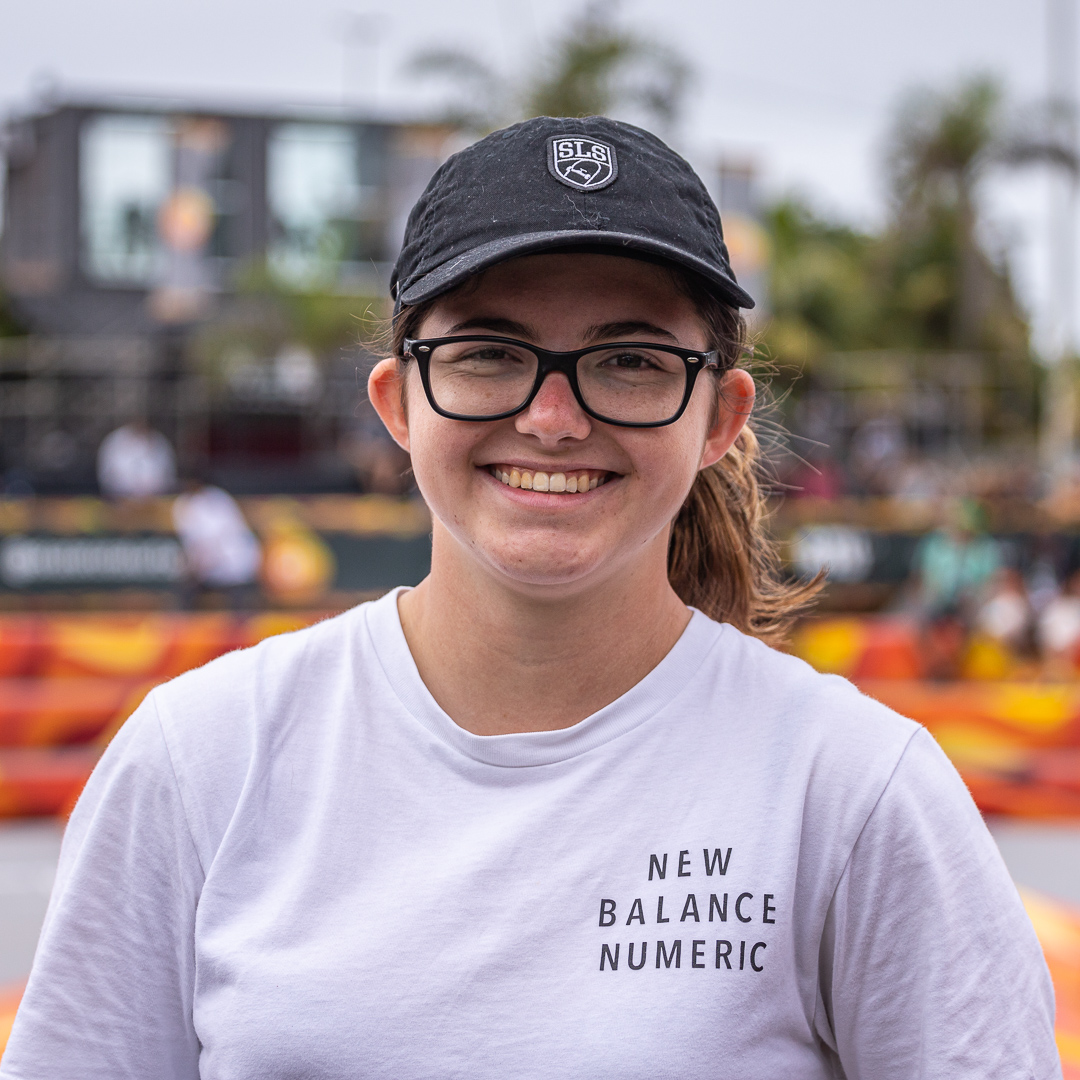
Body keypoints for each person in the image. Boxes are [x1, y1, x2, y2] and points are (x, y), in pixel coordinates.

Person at [2, 117, 1058, 1079]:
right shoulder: (202, 760)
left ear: (722, 416)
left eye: (632, 361)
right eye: (490, 353)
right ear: (399, 401)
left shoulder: (855, 793)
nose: (553, 418)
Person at [172, 478, 262, 609]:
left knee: (240, 606)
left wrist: (195, 570)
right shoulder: (184, 504)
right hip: (213, 567)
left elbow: (214, 545)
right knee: (186, 590)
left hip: (236, 563)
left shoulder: (217, 499)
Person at [96, 418, 177, 499]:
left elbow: (167, 477)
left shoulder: (160, 442)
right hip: (119, 501)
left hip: (155, 501)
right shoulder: (114, 441)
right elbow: (108, 477)